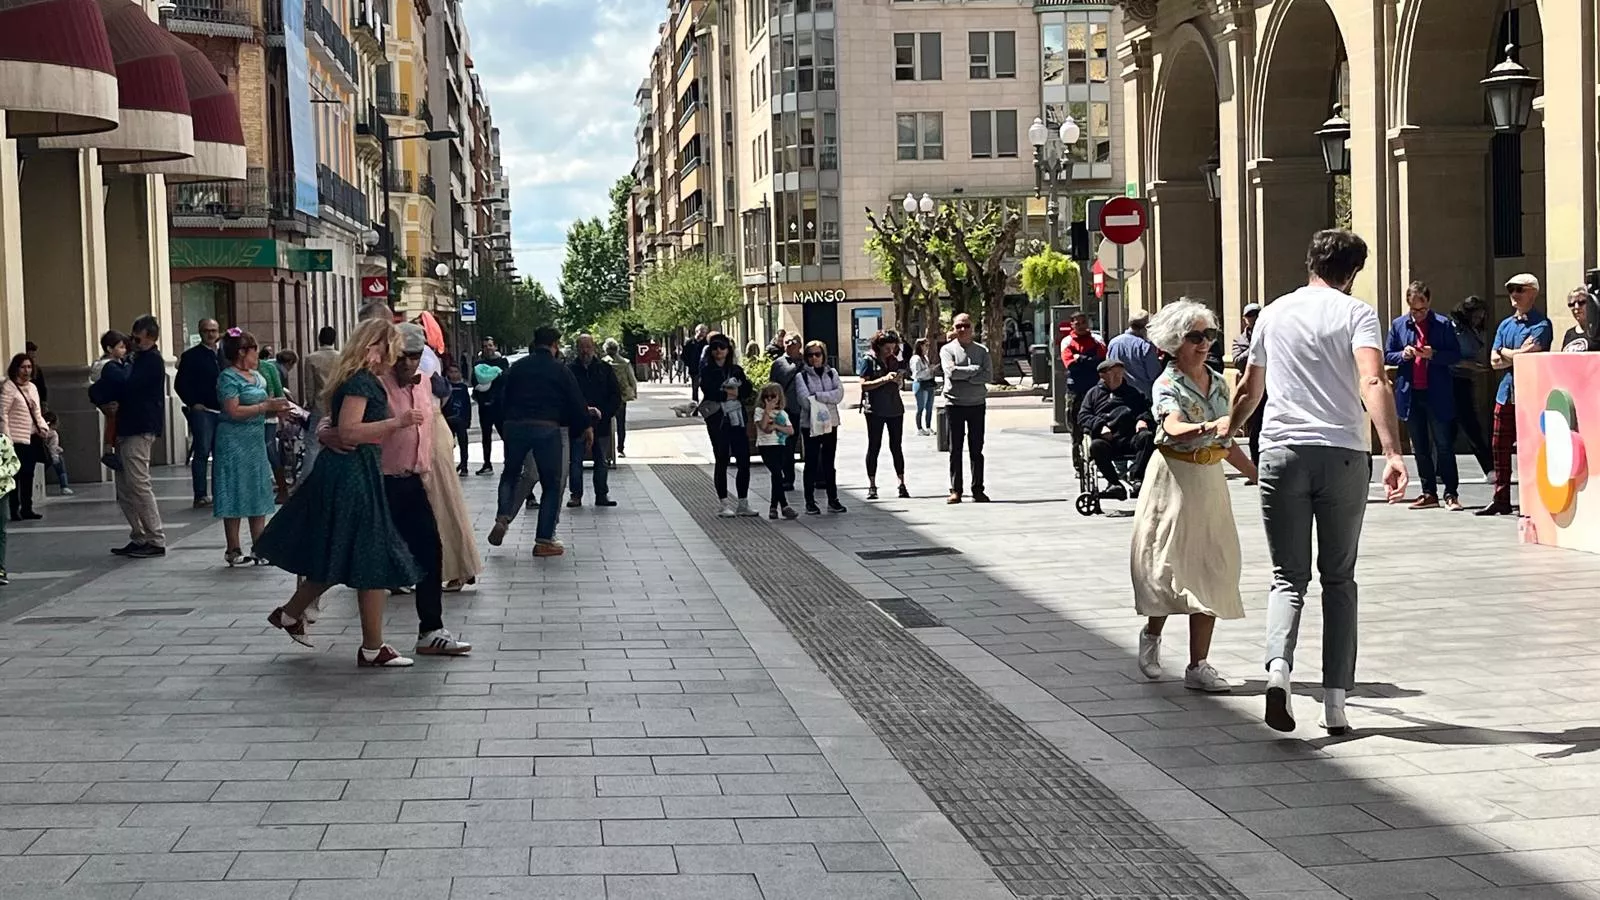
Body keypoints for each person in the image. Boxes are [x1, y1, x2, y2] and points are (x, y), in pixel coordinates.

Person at [1228, 229, 1408, 736]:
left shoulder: (1274, 312)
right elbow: (1372, 380)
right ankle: (1334, 702)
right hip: (1343, 453)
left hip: (1281, 452)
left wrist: (1229, 429)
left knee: (1288, 577)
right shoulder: (1356, 313)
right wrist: (1392, 450)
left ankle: (1279, 672)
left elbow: (1250, 387)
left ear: (1309, 262)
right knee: (1339, 578)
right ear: (1351, 272)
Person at [256, 318, 433, 668]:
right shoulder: (362, 382)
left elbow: (339, 429)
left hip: (355, 471)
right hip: (352, 475)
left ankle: (293, 615)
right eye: (391, 346)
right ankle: (371, 647)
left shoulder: (356, 380)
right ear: (374, 348)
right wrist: (397, 422)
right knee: (369, 555)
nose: (397, 354)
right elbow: (350, 431)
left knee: (343, 552)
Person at [1132, 300, 1245, 693]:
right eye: (1195, 337)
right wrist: (1212, 424)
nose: (1204, 344)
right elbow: (1174, 427)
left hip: (1209, 478)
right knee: (1167, 565)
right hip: (1174, 478)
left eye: (1209, 335)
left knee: (1211, 565)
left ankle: (1199, 665)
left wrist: (1262, 477)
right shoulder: (1166, 383)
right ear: (1175, 342)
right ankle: (1153, 632)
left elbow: (1227, 442)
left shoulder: (1219, 383)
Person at [490, 326, 594, 558]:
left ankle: (503, 515)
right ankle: (544, 540)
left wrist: (505, 426)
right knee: (551, 484)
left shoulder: (516, 368)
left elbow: (500, 398)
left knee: (510, 474)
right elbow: (575, 401)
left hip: (515, 426)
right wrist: (586, 426)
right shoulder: (560, 370)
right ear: (555, 345)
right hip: (546, 428)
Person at [1478, 273, 1553, 516]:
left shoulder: (1542, 324)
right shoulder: (1505, 325)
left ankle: (1531, 499)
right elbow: (1494, 361)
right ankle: (1501, 499)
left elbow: (1528, 354)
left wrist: (1506, 352)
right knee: (1499, 447)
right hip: (1505, 394)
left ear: (1533, 292)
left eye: (1519, 289)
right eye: (1511, 289)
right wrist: (1514, 353)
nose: (1514, 294)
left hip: (1530, 394)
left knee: (1529, 447)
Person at [1385, 281, 1462, 510]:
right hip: (1411, 393)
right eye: (1414, 310)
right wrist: (1403, 355)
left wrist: (1433, 354)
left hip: (1436, 392)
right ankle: (1429, 492)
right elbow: (1388, 354)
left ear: (1429, 303)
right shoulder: (1399, 325)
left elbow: (1456, 355)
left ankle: (1451, 493)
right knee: (1419, 447)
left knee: (1444, 444)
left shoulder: (1443, 324)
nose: (1418, 315)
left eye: (1422, 309)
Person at [212, 328, 285, 566]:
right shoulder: (228, 378)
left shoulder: (258, 376)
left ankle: (260, 546)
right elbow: (232, 410)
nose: (257, 356)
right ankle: (233, 548)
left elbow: (265, 401)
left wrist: (279, 408)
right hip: (233, 439)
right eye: (254, 350)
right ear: (242, 352)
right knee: (234, 488)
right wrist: (264, 407)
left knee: (257, 487)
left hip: (254, 438)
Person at [111, 316, 170, 558]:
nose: (133, 340)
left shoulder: (152, 361)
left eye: (137, 336)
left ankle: (155, 538)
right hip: (127, 426)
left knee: (138, 483)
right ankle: (139, 535)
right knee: (125, 488)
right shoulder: (136, 359)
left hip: (140, 427)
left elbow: (130, 386)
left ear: (150, 336)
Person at [1077, 359, 1155, 501]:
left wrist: (1143, 419)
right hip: (1108, 439)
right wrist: (1100, 426)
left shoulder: (1132, 393)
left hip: (1130, 437)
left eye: (1120, 373)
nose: (1118, 376)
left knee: (1147, 437)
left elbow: (1147, 409)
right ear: (1103, 376)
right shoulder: (1093, 394)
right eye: (1113, 373)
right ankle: (1114, 484)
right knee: (1096, 446)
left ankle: (1138, 479)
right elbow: (1083, 416)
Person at [700, 333, 759, 517]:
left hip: (737, 419)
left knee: (743, 460)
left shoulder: (736, 370)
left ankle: (743, 502)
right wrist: (730, 394)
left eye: (722, 347)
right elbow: (709, 392)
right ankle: (723, 502)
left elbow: (748, 390)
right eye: (715, 347)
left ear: (728, 350)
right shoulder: (707, 370)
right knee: (722, 458)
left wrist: (732, 393)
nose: (719, 350)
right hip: (718, 420)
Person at [941, 313, 991, 504]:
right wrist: (974, 370)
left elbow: (987, 376)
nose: (962, 329)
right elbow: (951, 372)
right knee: (955, 449)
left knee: (976, 448)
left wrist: (967, 375)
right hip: (954, 404)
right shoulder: (947, 350)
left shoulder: (982, 351)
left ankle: (978, 489)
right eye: (958, 326)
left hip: (977, 404)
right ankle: (956, 490)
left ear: (973, 327)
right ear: (953, 328)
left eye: (966, 325)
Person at [175, 318, 224, 508]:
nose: (211, 334)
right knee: (202, 451)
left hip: (223, 410)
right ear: (200, 332)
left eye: (214, 330)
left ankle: (219, 493)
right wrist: (193, 402)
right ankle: (200, 494)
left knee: (220, 453)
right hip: (203, 411)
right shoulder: (191, 356)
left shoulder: (224, 355)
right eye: (206, 331)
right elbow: (180, 383)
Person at [567, 334, 621, 508]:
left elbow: (615, 395)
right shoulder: (569, 370)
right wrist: (579, 412)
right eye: (582, 347)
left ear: (594, 348)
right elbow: (566, 396)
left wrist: (603, 413)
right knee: (575, 460)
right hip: (578, 424)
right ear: (577, 348)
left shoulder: (604, 369)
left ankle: (601, 494)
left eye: (588, 347)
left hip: (601, 422)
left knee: (601, 460)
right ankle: (576, 495)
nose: (585, 351)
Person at [794, 339, 845, 515]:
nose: (814, 358)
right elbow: (804, 401)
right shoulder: (802, 376)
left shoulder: (832, 373)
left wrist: (819, 396)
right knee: (811, 462)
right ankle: (810, 501)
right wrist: (825, 398)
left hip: (831, 422)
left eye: (818, 354)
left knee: (829, 462)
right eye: (810, 355)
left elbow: (838, 395)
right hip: (810, 425)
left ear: (823, 355)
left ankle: (833, 499)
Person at [1449, 295, 1495, 477]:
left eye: (1481, 317)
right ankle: (1489, 467)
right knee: (1469, 425)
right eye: (1476, 317)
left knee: (1454, 426)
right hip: (1454, 379)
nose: (1479, 320)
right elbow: (1448, 357)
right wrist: (1469, 365)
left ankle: (1439, 469)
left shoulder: (1473, 330)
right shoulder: (1455, 329)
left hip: (1466, 379)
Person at [860, 331, 909, 500]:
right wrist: (884, 379)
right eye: (887, 348)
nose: (890, 351)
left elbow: (899, 382)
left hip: (895, 408)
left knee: (897, 446)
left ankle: (901, 483)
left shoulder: (895, 360)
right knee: (874, 445)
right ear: (879, 346)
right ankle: (872, 485)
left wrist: (899, 380)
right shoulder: (868, 360)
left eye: (893, 348)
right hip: (875, 409)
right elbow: (864, 385)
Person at [1, 354, 48, 521]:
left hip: (31, 437)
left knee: (28, 473)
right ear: (16, 368)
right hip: (15, 438)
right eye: (23, 367)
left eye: (29, 367)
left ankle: (27, 508)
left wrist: (43, 427)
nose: (26, 370)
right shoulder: (9, 387)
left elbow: (36, 412)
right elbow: (3, 413)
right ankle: (14, 509)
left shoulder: (33, 388)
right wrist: (7, 437)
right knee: (15, 475)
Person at [1060, 314, 1107, 469]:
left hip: (1095, 391)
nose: (1080, 325)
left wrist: (1081, 358)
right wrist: (1088, 361)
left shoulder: (1097, 340)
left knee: (1098, 425)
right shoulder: (1067, 342)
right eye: (1077, 323)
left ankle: (1098, 460)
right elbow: (1071, 365)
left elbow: (1102, 362)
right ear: (1072, 325)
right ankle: (1078, 464)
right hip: (1075, 392)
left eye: (1083, 322)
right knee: (1076, 430)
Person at [754, 382, 797, 519]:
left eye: (773, 396)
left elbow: (790, 430)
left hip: (780, 445)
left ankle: (774, 507)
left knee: (777, 475)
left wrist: (777, 426)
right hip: (766, 446)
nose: (770, 399)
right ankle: (783, 505)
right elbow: (764, 427)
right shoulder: (759, 411)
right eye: (767, 396)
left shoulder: (783, 413)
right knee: (777, 474)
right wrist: (767, 410)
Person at [301, 327, 339, 476]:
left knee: (312, 444)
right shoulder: (341, 357)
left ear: (319, 339)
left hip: (319, 404)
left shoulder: (311, 358)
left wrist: (309, 403)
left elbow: (309, 386)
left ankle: (307, 478)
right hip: (336, 405)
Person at [1230, 304, 1265, 464]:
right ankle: (1255, 466)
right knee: (1254, 430)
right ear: (1245, 319)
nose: (1254, 318)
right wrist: (1255, 346)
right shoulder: (1240, 340)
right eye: (1250, 315)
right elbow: (1237, 362)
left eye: (1257, 315)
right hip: (1251, 388)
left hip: (1270, 388)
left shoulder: (1271, 336)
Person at [91, 330, 130, 471]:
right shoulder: (110, 366)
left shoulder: (111, 364)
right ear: (109, 348)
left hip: (109, 401)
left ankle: (109, 449)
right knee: (112, 423)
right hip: (112, 400)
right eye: (120, 347)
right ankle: (108, 450)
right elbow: (122, 379)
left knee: (111, 424)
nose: (124, 350)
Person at [771, 335, 806, 488]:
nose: (790, 345)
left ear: (800, 344)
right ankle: (788, 478)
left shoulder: (808, 361)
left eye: (794, 342)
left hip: (806, 409)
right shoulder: (778, 364)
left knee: (813, 445)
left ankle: (818, 478)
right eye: (787, 342)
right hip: (787, 410)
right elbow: (772, 386)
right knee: (787, 446)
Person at [471, 336, 509, 475]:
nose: (488, 348)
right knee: (485, 436)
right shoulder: (478, 363)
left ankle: (509, 461)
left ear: (495, 347)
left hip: (499, 405)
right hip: (484, 405)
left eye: (490, 345)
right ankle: (487, 464)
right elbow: (475, 381)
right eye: (485, 346)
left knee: (505, 435)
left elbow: (504, 379)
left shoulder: (502, 362)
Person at [1105, 310, 1162, 397]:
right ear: (1146, 327)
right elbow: (1154, 374)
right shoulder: (1145, 346)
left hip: (1118, 394)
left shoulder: (1114, 342)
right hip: (1141, 396)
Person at [601, 338, 637, 465]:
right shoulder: (625, 362)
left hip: (606, 398)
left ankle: (606, 451)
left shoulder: (603, 363)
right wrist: (634, 392)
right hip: (622, 397)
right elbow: (632, 379)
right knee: (621, 423)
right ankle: (620, 448)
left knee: (606, 424)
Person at [443, 358, 473, 475]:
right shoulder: (445, 386)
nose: (454, 374)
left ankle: (464, 465)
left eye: (456, 372)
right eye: (451, 372)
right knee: (448, 445)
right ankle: (449, 465)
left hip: (460, 419)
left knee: (463, 444)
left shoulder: (463, 387)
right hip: (448, 419)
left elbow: (467, 404)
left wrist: (468, 420)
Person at [909, 338, 936, 436]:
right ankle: (919, 428)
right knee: (920, 407)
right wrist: (929, 370)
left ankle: (928, 427)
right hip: (920, 384)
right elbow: (917, 374)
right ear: (920, 346)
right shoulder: (916, 359)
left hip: (929, 383)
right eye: (926, 345)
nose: (927, 348)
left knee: (929, 407)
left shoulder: (925, 357)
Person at [40, 411, 71, 496]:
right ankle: (64, 486)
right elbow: (52, 447)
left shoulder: (39, 431)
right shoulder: (53, 434)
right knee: (61, 469)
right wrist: (55, 456)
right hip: (50, 455)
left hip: (40, 454)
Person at [0, 431, 16, 585]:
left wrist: (2, 472)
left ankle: (1, 569)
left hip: (1, 492)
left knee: (1, 530)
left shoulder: (2, 440)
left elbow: (14, 463)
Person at [684, 324, 710, 403]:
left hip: (706, 369)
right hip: (694, 369)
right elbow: (684, 355)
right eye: (701, 331)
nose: (703, 334)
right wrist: (689, 364)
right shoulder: (690, 342)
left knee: (706, 388)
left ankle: (706, 406)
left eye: (704, 332)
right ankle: (694, 407)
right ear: (696, 332)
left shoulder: (707, 342)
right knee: (695, 388)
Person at [1562, 287, 1592, 351]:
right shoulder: (1569, 334)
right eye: (1572, 304)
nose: (1576, 307)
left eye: (1581, 302)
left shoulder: (1597, 334)